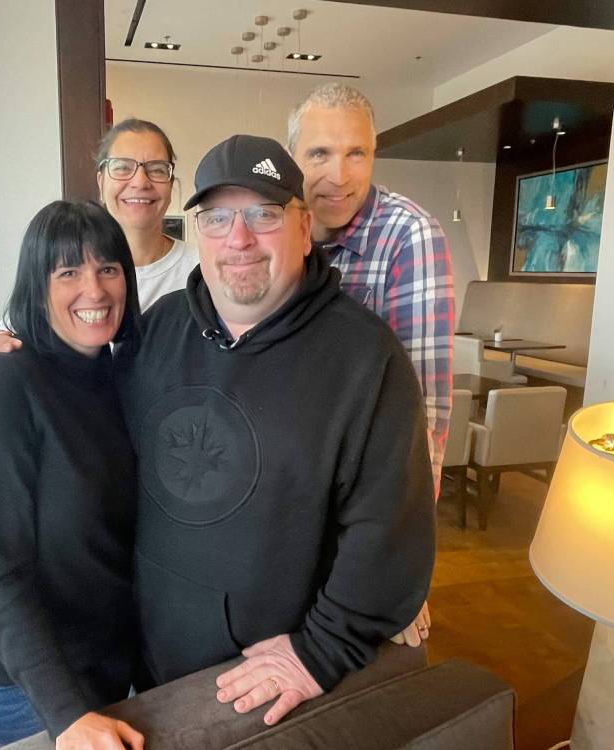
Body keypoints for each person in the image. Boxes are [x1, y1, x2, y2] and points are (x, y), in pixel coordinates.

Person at [114, 134, 435, 726]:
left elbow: (392, 535)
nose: (238, 238)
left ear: (304, 224)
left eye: (263, 214)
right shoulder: (157, 329)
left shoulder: (366, 359)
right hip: (149, 659)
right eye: (217, 218)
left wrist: (319, 651)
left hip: (272, 686)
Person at [0, 200, 144, 749]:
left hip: (99, 646)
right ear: (37, 284)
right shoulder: (0, 384)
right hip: (15, 662)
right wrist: (68, 715)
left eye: (108, 269)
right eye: (68, 272)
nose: (94, 291)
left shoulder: (121, 371)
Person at [288, 83, 455, 647]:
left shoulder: (409, 235)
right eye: (320, 154)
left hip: (369, 483)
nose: (340, 174)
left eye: (356, 152)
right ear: (294, 159)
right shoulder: (285, 230)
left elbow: (426, 410)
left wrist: (405, 569)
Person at [0, 118, 197, 383]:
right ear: (101, 181)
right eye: (122, 167)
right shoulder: (62, 269)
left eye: (157, 169)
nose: (140, 181)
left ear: (171, 183)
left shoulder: (201, 269)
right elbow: (1, 341)